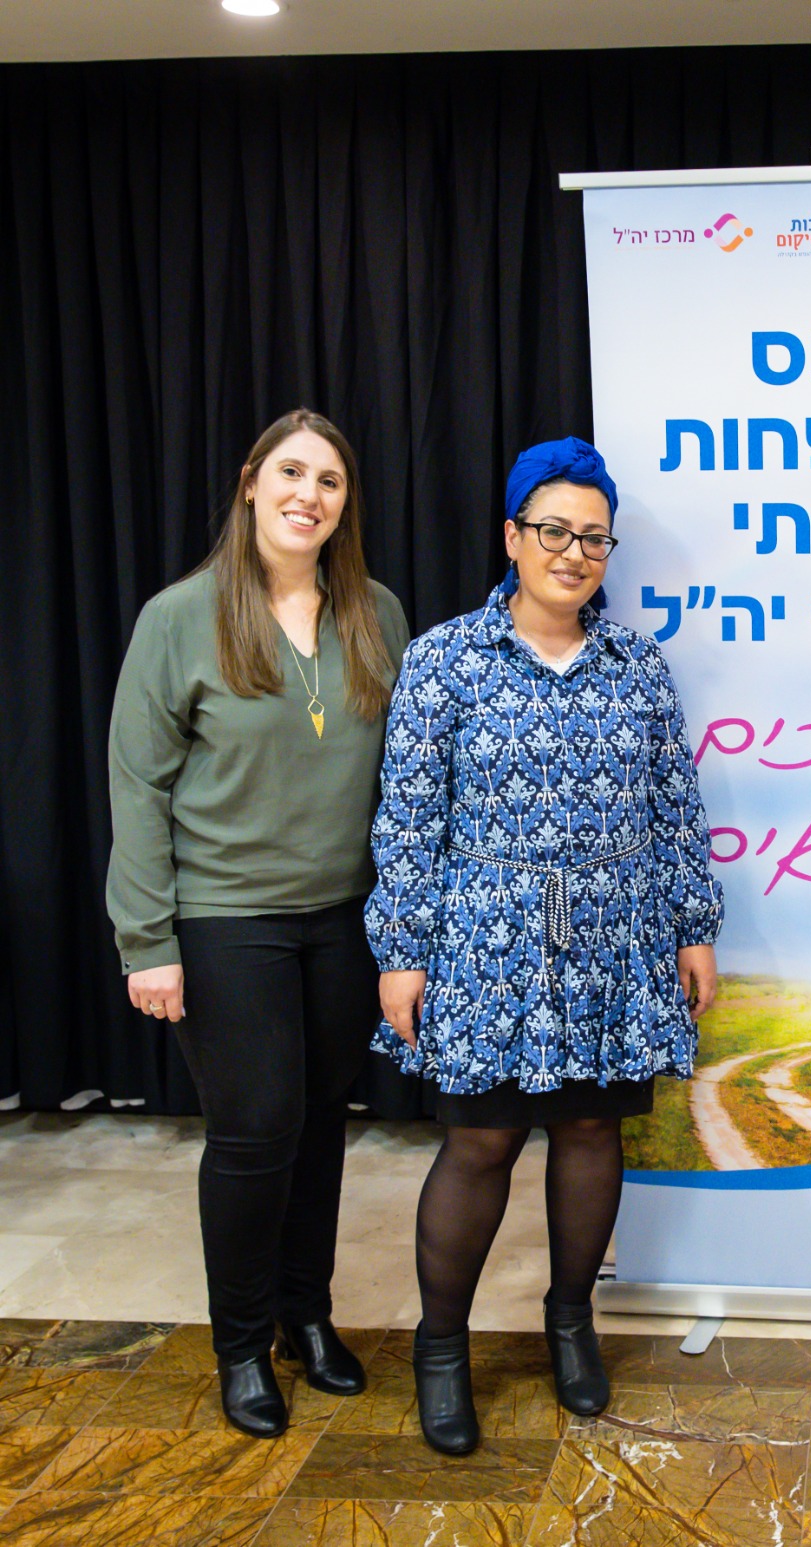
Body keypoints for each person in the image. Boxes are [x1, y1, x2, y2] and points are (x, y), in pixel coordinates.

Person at [367, 435, 721, 1454]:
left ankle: (571, 1323)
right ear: (513, 536)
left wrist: (693, 927)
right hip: (485, 935)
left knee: (591, 1129)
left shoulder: (637, 665)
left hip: (615, 934)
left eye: (594, 537)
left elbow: (675, 805)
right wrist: (402, 949)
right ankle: (442, 1347)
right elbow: (406, 817)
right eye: (554, 531)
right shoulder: (443, 659)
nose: (574, 552)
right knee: (480, 1140)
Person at [107, 408, 409, 1438]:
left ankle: (304, 1315)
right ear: (249, 483)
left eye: (329, 480)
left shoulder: (375, 613)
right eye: (290, 472)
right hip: (225, 916)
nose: (307, 495)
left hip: (343, 917)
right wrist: (147, 941)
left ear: (344, 504)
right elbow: (138, 787)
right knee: (255, 1131)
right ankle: (240, 1343)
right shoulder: (178, 618)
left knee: (322, 1122)